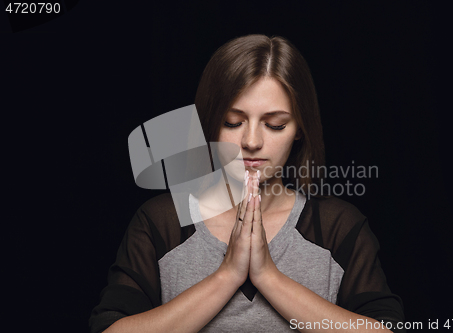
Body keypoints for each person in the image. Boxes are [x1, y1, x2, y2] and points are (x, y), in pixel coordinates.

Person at [89, 34, 405, 333]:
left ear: (299, 129)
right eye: (233, 122)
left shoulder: (337, 226)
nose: (251, 141)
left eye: (274, 124)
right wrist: (227, 275)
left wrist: (268, 276)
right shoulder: (161, 221)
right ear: (209, 123)